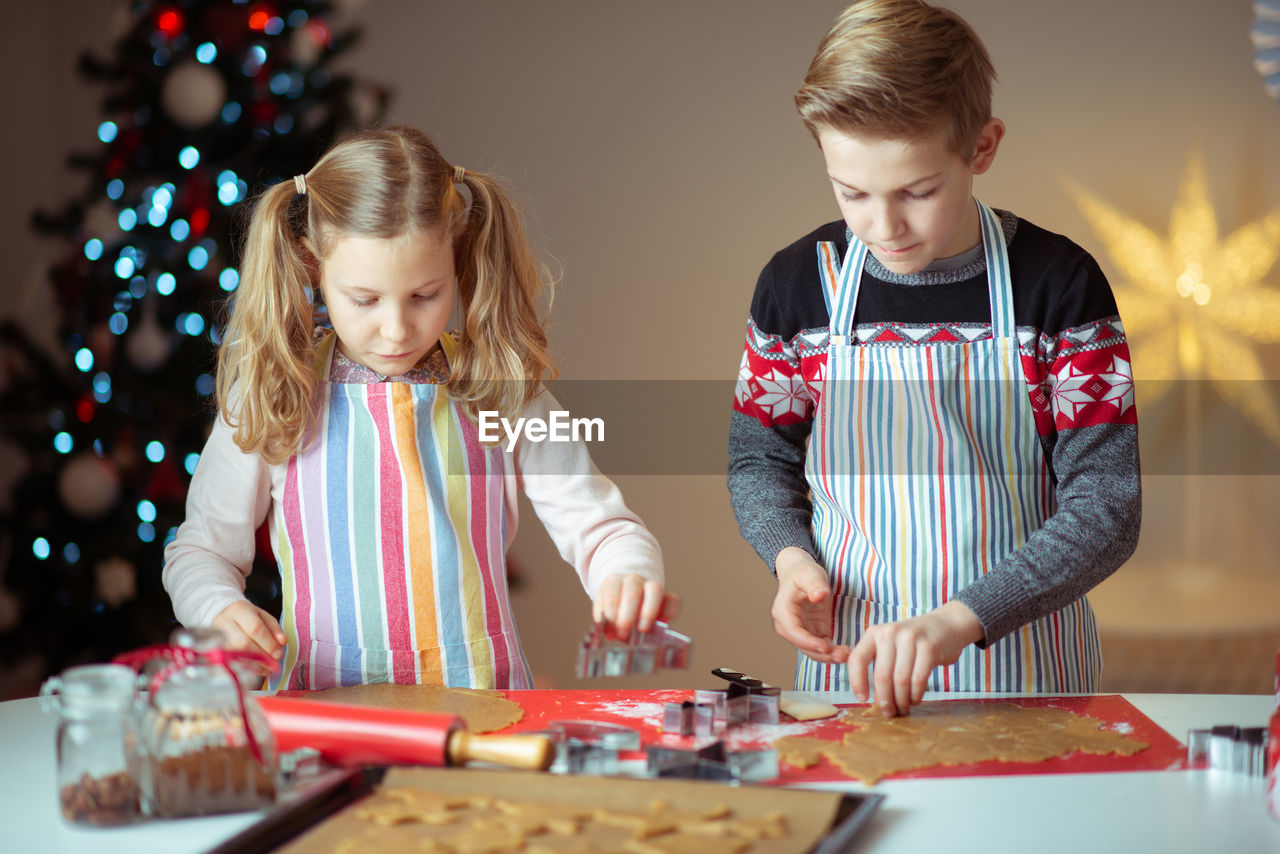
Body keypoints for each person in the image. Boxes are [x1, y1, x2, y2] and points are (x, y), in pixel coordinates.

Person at [728, 0, 1139, 716]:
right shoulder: (797, 286)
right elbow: (758, 459)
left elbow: (1106, 508)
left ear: (981, 148)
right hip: (849, 668)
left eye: (917, 192)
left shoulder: (1059, 285)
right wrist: (791, 560)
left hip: (1027, 671)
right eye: (852, 192)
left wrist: (957, 621)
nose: (883, 227)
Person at [164, 125, 677, 690]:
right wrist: (216, 608)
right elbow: (198, 552)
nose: (395, 329)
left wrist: (626, 574)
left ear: (456, 260)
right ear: (314, 267)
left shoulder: (501, 392)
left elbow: (602, 527)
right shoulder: (277, 393)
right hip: (325, 712)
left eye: (424, 295)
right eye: (364, 300)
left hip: (482, 703)